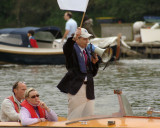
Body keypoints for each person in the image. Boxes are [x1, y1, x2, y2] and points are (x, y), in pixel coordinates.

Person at [57, 27, 99, 120]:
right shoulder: (71, 50)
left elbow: (92, 73)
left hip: (89, 89)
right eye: (84, 39)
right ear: (77, 39)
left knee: (89, 119)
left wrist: (94, 63)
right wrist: (74, 37)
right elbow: (66, 47)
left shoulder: (88, 51)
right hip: (77, 88)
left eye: (88, 39)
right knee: (74, 118)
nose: (87, 41)